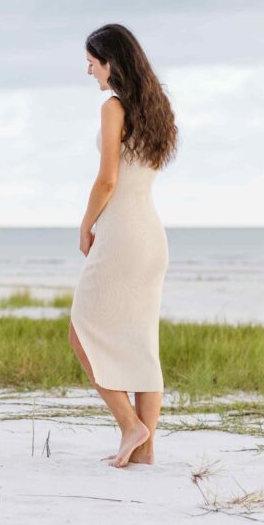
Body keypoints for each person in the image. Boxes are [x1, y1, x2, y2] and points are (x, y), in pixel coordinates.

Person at [69, 24, 178, 468]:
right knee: (141, 342)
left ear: (111, 61)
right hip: (150, 232)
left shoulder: (112, 106)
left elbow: (108, 178)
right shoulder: (158, 107)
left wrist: (85, 223)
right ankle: (146, 450)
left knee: (82, 330)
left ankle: (131, 426)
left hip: (120, 232)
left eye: (92, 62)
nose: (89, 70)